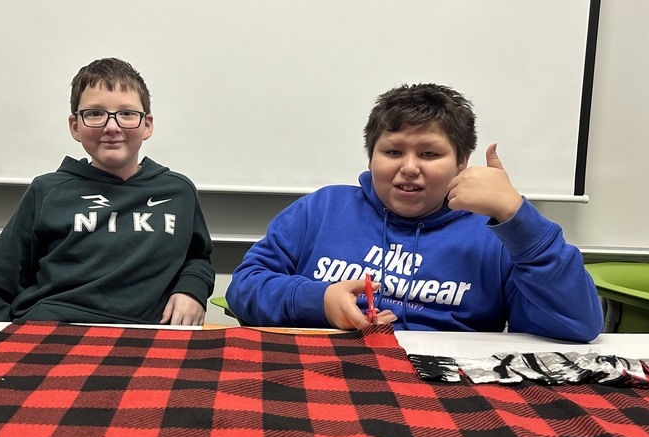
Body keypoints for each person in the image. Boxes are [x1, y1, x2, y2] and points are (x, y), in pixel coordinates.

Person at [226, 83, 603, 342]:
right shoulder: (321, 209)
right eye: (392, 152)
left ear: (462, 163)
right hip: (326, 373)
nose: (409, 167)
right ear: (371, 157)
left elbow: (575, 326)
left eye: (429, 154)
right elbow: (245, 288)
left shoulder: (495, 233)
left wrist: (517, 217)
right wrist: (318, 301)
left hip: (445, 392)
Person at [0, 57, 214, 325]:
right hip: (53, 331)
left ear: (147, 124)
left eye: (127, 113)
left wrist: (192, 289)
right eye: (95, 113)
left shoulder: (178, 191)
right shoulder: (47, 191)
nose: (112, 127)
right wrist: (0, 344)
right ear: (75, 126)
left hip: (146, 338)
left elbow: (197, 258)